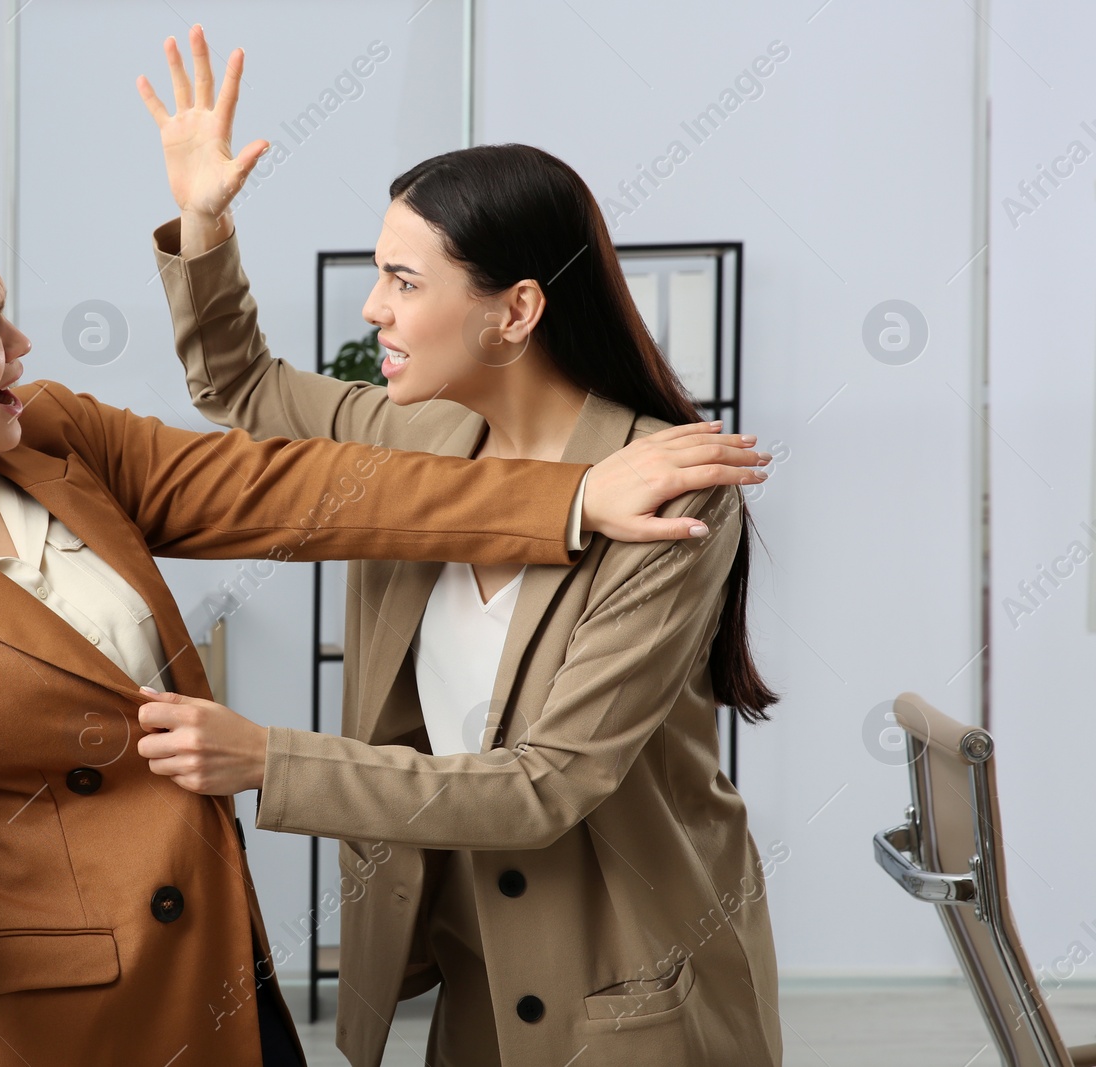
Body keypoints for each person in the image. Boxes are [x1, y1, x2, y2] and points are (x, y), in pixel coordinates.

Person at [0, 205, 764, 1063]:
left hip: (222, 961)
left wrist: (572, 494)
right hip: (68, 1021)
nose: (20, 347)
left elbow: (292, 487)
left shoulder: (48, 434)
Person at [132, 26, 784, 1067]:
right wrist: (204, 224)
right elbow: (244, 389)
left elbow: (542, 785)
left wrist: (263, 757)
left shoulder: (669, 492)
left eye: (403, 279)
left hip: (633, 990)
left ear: (515, 310)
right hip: (475, 982)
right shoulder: (423, 438)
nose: (371, 307)